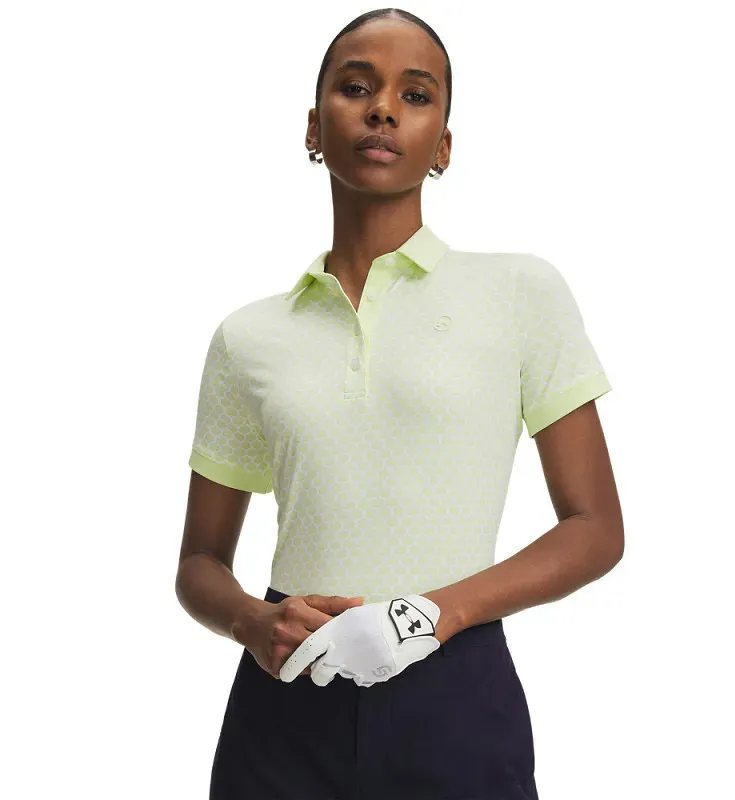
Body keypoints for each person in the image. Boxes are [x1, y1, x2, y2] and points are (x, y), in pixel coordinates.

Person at [176, 8, 623, 800]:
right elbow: (199, 563)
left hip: (456, 690)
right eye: (356, 87)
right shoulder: (248, 338)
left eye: (415, 96)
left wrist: (428, 615)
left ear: (442, 146)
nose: (382, 108)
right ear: (313, 128)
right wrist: (253, 622)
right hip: (285, 699)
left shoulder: (519, 293)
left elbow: (596, 527)